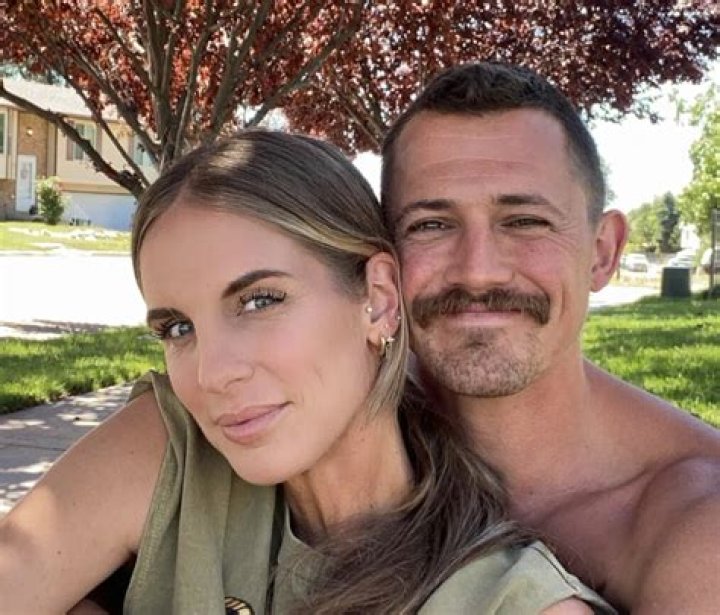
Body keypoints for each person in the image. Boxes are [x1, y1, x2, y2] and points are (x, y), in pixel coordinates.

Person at [0, 130, 612, 613]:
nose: (212, 374)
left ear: (378, 300)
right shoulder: (172, 453)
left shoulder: (506, 600)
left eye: (259, 301)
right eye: (178, 328)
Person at [380, 62, 720, 613]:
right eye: (431, 225)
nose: (478, 273)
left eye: (525, 221)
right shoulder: (329, 430)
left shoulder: (696, 525)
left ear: (602, 253)